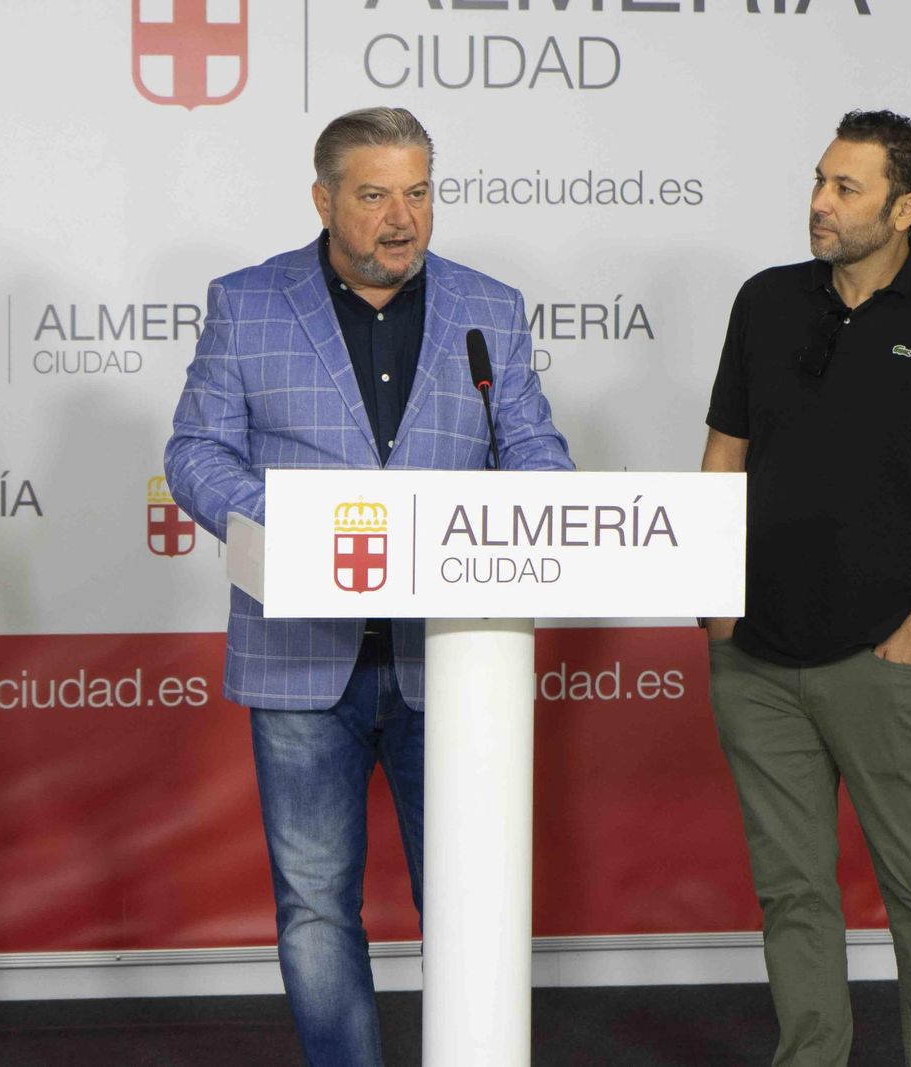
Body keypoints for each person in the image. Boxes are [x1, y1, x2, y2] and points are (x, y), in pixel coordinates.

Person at [164, 107, 572, 1065]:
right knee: (315, 907)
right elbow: (195, 453)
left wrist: (544, 501)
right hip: (303, 654)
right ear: (324, 199)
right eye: (376, 194)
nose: (403, 218)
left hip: (459, 658)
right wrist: (292, 526)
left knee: (468, 899)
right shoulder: (248, 302)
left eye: (419, 192)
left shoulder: (490, 306)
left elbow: (534, 447)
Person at [700, 110, 911, 1067]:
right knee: (792, 890)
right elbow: (725, 454)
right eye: (818, 180)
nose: (819, 203)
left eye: (846, 188)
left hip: (889, 656)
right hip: (754, 656)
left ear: (906, 206)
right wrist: (716, 602)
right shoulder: (764, 299)